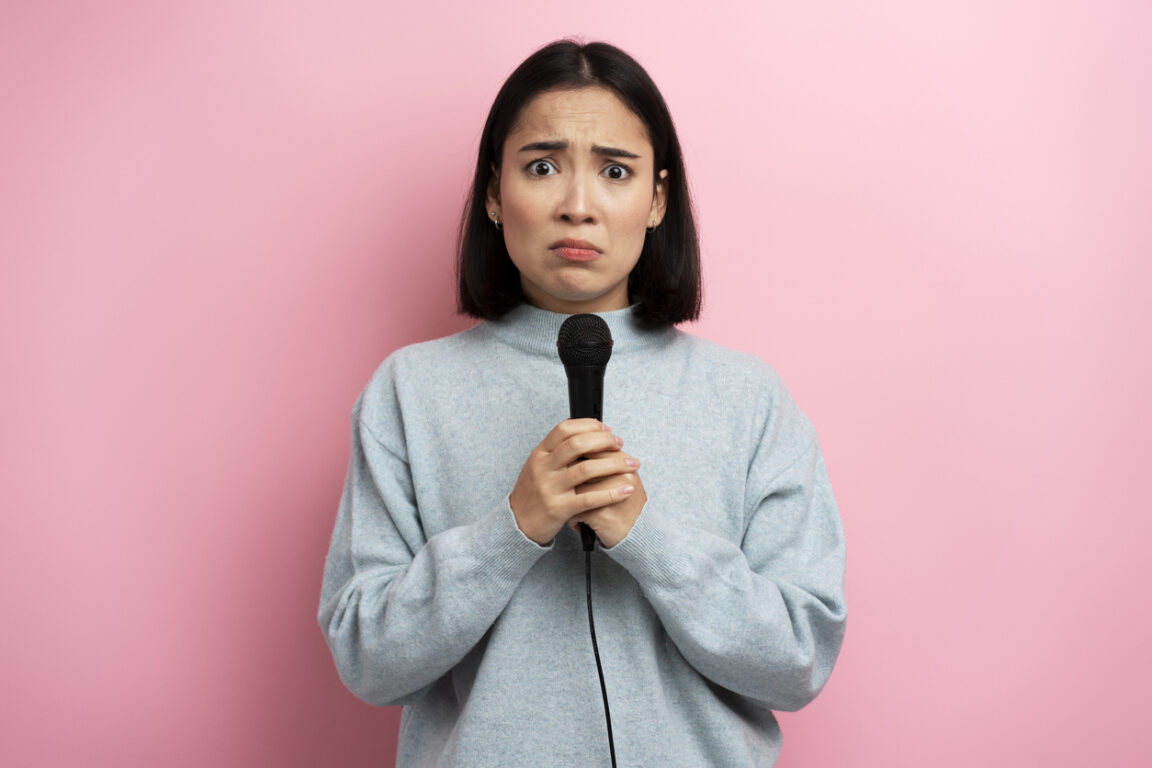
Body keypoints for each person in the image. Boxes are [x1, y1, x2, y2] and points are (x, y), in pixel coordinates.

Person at [318, 40, 847, 767]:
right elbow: (368, 662)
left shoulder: (749, 399)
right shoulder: (409, 393)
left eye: (615, 171)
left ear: (657, 198)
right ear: (496, 193)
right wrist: (512, 530)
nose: (577, 205)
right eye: (541, 167)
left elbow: (798, 661)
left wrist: (647, 536)